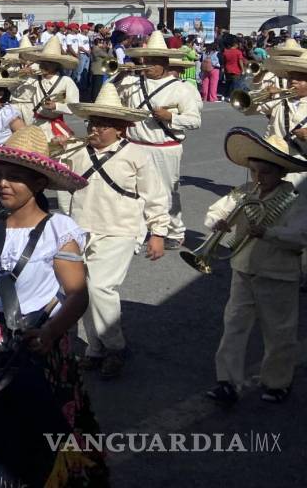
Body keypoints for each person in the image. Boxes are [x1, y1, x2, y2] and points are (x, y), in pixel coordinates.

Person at [0, 127, 107, 485]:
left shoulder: (59, 230)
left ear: (39, 184)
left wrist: (53, 331)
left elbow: (77, 293)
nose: (3, 184)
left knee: (48, 418)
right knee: (0, 418)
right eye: (0, 176)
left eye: (16, 178)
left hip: (41, 341)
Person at [55, 84, 169, 379]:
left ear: (121, 129)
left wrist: (158, 232)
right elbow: (60, 183)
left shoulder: (137, 155)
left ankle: (116, 347)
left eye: (104, 125)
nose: (95, 130)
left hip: (121, 229)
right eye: (93, 123)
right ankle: (95, 348)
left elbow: (156, 195)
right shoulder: (77, 151)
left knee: (100, 288)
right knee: (82, 291)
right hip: (82, 230)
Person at [204, 128, 307, 405]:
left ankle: (277, 382)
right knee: (234, 325)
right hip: (243, 268)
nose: (259, 179)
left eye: (266, 174)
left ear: (281, 174)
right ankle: (227, 381)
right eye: (255, 173)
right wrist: (218, 222)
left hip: (278, 273)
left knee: (279, 331)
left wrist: (269, 233)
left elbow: (301, 236)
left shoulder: (296, 199)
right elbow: (216, 210)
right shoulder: (245, 192)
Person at [113, 31, 202, 250]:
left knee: (166, 192)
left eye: (153, 61)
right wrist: (118, 76)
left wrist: (171, 117)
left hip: (164, 147)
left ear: (164, 63)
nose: (147, 65)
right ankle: (142, 230)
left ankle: (174, 231)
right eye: (146, 60)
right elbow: (111, 96)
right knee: (134, 191)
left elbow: (194, 120)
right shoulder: (132, 82)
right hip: (134, 144)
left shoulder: (182, 89)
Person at [13, 36, 80, 140]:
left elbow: (75, 107)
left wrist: (56, 106)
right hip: (35, 124)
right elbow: (16, 92)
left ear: (56, 65)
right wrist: (20, 74)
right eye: (42, 63)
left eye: (48, 63)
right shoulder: (34, 79)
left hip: (56, 125)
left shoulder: (66, 81)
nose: (43, 65)